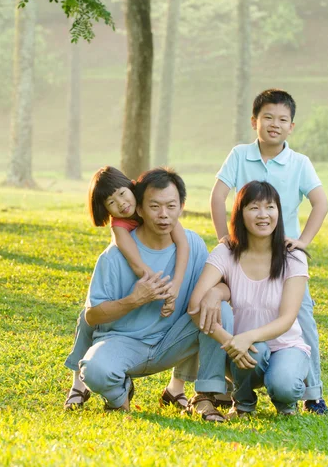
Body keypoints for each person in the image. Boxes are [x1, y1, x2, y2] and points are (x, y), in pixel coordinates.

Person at [77, 167, 233, 420]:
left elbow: (226, 286)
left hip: (174, 340)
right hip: (125, 343)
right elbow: (92, 316)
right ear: (139, 208)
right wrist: (133, 300)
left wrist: (217, 292)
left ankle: (205, 395)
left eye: (171, 206)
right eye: (154, 207)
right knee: (95, 370)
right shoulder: (114, 256)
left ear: (181, 206)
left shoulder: (192, 243)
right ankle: (120, 394)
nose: (163, 215)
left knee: (219, 309)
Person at [210, 89, 328, 414]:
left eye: (282, 120)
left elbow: (321, 203)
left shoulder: (299, 162)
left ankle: (313, 394)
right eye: (268, 118)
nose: (274, 124)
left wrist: (302, 241)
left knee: (301, 317)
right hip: (245, 256)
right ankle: (215, 389)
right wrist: (225, 239)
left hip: (282, 259)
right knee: (226, 311)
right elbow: (217, 196)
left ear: (291, 126)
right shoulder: (239, 155)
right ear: (254, 122)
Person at [64, 166, 189, 410]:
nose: (121, 204)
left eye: (122, 193)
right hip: (134, 281)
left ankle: (177, 389)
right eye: (111, 202)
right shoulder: (120, 226)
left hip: (156, 310)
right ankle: (78, 383)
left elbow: (183, 244)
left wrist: (175, 285)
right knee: (90, 316)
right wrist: (158, 287)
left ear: (132, 186)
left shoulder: (155, 208)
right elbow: (135, 261)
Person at [189, 181, 311, 418]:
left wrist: (248, 337)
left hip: (286, 345)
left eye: (270, 207)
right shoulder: (226, 252)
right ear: (240, 214)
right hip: (245, 352)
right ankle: (243, 404)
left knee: (284, 384)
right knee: (254, 351)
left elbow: (287, 319)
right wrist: (231, 340)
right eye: (254, 208)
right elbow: (194, 305)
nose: (263, 215)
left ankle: (286, 403)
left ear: (278, 212)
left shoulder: (293, 256)